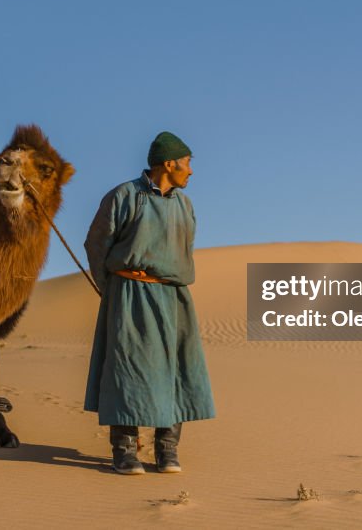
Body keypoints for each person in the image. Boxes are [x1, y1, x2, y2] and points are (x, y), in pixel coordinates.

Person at [83, 131, 215, 475]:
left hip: (174, 295)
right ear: (169, 164)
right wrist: (111, 289)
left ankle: (166, 449)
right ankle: (124, 450)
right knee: (128, 370)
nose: (191, 171)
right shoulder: (125, 196)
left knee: (177, 372)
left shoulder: (185, 205)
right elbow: (97, 245)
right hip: (130, 294)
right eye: (187, 163)